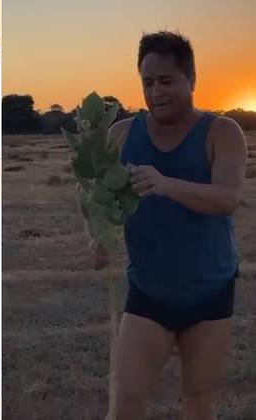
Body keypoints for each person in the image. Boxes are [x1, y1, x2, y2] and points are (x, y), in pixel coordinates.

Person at [86, 31, 246, 419]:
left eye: (166, 80)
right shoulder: (121, 135)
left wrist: (165, 183)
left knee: (198, 403)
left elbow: (226, 199)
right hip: (148, 293)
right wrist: (99, 236)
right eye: (147, 82)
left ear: (191, 80)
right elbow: (100, 200)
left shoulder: (223, 133)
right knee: (125, 405)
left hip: (210, 292)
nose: (155, 91)